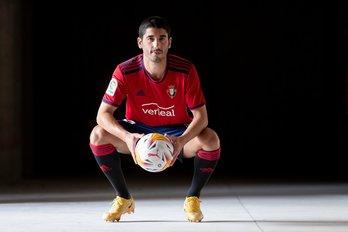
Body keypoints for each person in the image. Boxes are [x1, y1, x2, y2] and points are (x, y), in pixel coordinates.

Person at [89, 15, 221, 223]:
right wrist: (128, 136)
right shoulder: (125, 70)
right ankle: (123, 197)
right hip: (139, 131)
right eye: (150, 38)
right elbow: (102, 115)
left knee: (211, 139)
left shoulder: (185, 70)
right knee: (97, 134)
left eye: (162, 38)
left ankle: (193, 197)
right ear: (140, 43)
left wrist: (181, 140)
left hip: (175, 131)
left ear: (170, 42)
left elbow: (201, 118)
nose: (156, 44)